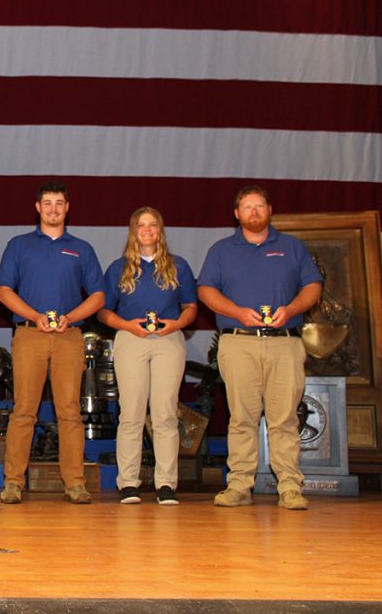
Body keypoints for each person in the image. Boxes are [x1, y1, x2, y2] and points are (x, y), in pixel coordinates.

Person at [198, 186, 322, 510]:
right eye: (247, 207)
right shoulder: (222, 250)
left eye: (259, 206)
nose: (254, 212)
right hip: (238, 343)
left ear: (269, 210)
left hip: (285, 343)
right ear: (236, 213)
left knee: (284, 420)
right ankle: (239, 484)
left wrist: (292, 309)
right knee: (241, 418)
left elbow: (313, 286)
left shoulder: (292, 247)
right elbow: (206, 290)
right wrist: (236, 311)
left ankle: (290, 487)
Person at [0, 181, 104, 504]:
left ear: (67, 208)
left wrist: (71, 316)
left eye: (59, 203)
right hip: (30, 334)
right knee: (24, 411)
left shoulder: (82, 248)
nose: (53, 208)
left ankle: (75, 483)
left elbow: (98, 294)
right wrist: (34, 315)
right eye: (47, 203)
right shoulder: (19, 245)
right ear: (37, 207)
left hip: (69, 336)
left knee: (70, 412)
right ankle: (14, 482)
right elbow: (4, 291)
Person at [97, 207, 197, 505]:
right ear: (133, 230)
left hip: (168, 339)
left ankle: (166, 484)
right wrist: (127, 325)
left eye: (153, 225)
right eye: (141, 225)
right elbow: (103, 311)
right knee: (131, 414)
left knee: (165, 414)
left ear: (161, 230)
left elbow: (191, 306)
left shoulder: (179, 266)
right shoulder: (119, 267)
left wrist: (177, 323)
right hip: (131, 339)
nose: (147, 230)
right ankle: (129, 482)